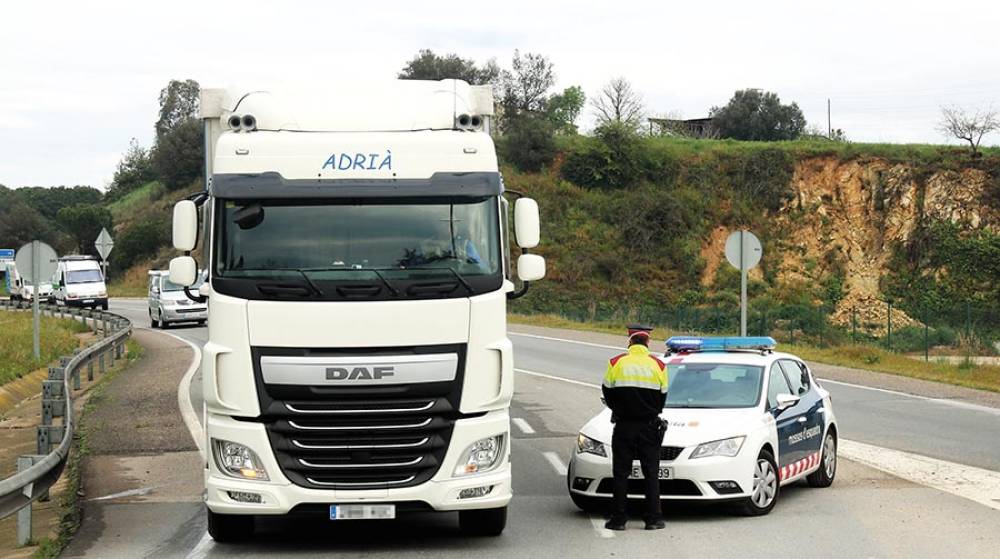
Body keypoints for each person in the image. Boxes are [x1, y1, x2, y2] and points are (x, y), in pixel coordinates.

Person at [601, 324, 669, 531]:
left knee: (621, 474)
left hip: (624, 426)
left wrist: (621, 410)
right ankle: (653, 519)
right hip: (649, 427)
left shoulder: (615, 363)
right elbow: (662, 397)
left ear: (629, 341)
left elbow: (607, 392)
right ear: (647, 342)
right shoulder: (659, 365)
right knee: (651, 474)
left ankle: (619, 519)